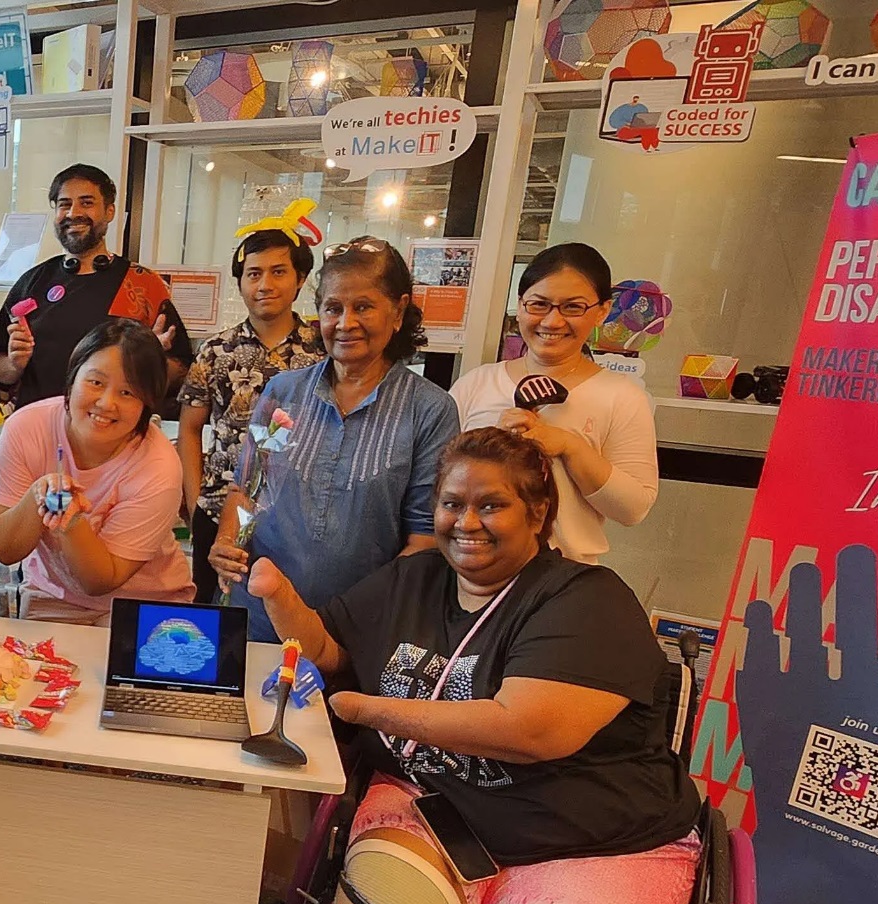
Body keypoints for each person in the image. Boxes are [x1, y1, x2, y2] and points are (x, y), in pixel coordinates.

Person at [246, 427, 701, 904]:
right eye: (451, 503)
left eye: (491, 505)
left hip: (592, 841)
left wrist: (364, 709)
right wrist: (280, 599)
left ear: (538, 513)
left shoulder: (587, 599)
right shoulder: (417, 576)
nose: (465, 522)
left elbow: (530, 731)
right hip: (438, 807)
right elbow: (330, 648)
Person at [210, 236, 459, 643]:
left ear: (398, 311)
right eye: (333, 308)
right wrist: (227, 542)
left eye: (363, 307)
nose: (345, 323)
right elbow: (248, 491)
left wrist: (362, 616)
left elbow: (425, 540)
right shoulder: (284, 394)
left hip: (357, 629)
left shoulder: (428, 410)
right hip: (258, 614)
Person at [447, 242, 658, 564]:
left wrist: (571, 447)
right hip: (470, 569)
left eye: (573, 307)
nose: (552, 321)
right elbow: (438, 486)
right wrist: (490, 445)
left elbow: (633, 509)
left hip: (566, 576)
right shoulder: (475, 385)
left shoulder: (622, 397)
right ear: (520, 305)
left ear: (602, 311)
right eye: (538, 304)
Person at [0, 319, 192, 624]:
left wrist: (71, 520)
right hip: (52, 597)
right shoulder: (26, 428)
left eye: (128, 392)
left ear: (147, 403)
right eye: (95, 382)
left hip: (147, 604)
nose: (106, 403)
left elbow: (99, 582)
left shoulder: (159, 466)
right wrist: (37, 496)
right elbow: (4, 550)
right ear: (72, 379)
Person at [178, 225, 323, 603]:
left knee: (286, 610)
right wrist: (194, 504)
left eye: (278, 272)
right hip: (217, 512)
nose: (264, 285)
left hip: (295, 517)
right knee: (215, 612)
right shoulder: (215, 350)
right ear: (240, 282)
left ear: (300, 279)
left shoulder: (322, 351)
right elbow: (190, 429)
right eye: (253, 274)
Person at [0, 164, 194, 412]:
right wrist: (14, 365)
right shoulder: (32, 282)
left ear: (110, 211)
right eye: (64, 204)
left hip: (111, 423)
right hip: (37, 425)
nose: (73, 213)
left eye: (86, 203)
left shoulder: (143, 284)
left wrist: (151, 360)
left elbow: (181, 371)